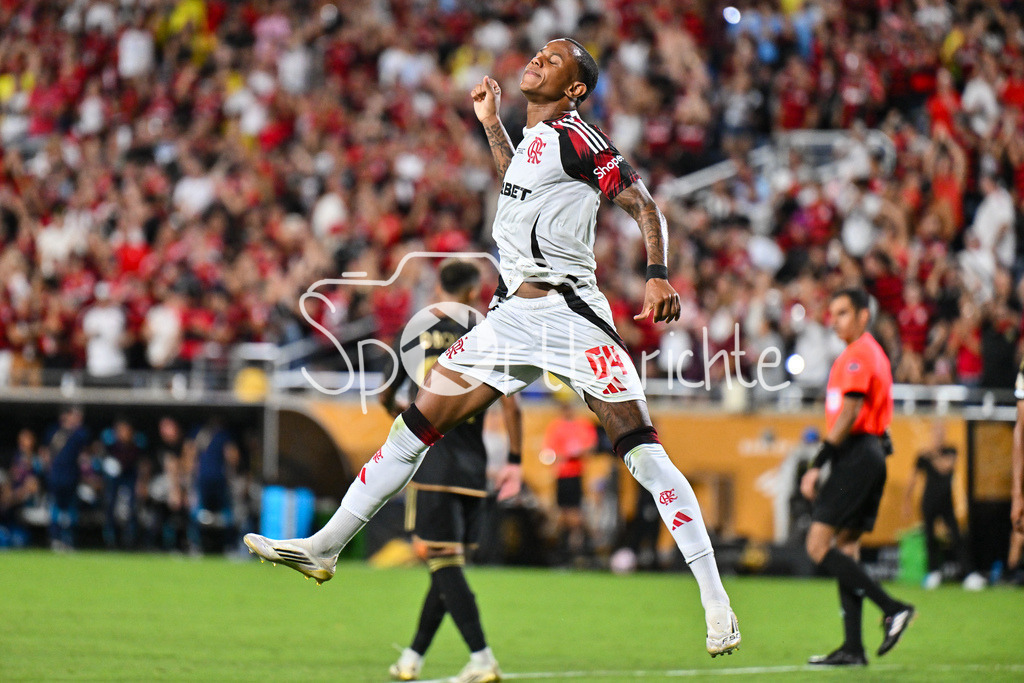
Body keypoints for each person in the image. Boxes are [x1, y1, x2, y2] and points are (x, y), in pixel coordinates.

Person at [245, 38, 740, 658]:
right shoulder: (533, 139)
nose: (538, 58)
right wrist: (489, 126)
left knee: (641, 454)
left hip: (568, 313)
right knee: (416, 423)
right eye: (540, 51)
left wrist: (657, 271)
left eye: (555, 59)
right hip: (510, 317)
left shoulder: (577, 136)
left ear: (575, 89)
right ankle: (326, 548)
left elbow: (642, 203)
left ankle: (715, 601)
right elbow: (519, 183)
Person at [380, 259, 523, 683]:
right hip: (474, 465)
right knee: (448, 564)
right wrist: (514, 460)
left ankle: (482, 658)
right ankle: (412, 657)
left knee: (443, 563)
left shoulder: (415, 332)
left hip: (433, 460)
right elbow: (512, 402)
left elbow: (386, 395)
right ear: (473, 292)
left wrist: (409, 425)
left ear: (440, 286)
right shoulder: (487, 332)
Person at [800, 289, 914, 667]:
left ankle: (892, 608)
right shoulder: (862, 354)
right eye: (832, 313)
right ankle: (853, 648)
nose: (835, 320)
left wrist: (818, 463)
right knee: (846, 550)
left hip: (856, 455)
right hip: (868, 453)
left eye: (844, 312)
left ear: (864, 316)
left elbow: (850, 412)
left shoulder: (860, 354)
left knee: (818, 545)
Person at [902, 422, 985, 590]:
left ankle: (969, 574)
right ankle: (933, 573)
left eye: (941, 433)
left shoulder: (950, 450)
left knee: (956, 537)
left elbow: (945, 467)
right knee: (930, 539)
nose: (938, 436)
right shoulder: (922, 456)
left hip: (946, 503)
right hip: (929, 502)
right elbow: (912, 480)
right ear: (932, 435)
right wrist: (906, 502)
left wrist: (932, 454)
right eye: (936, 433)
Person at [543, 400, 598, 565]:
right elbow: (549, 452)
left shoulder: (582, 425)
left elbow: (591, 446)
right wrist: (564, 454)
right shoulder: (555, 426)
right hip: (561, 475)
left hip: (575, 474)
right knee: (563, 513)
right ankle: (565, 549)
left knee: (574, 513)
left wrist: (577, 452)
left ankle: (577, 548)